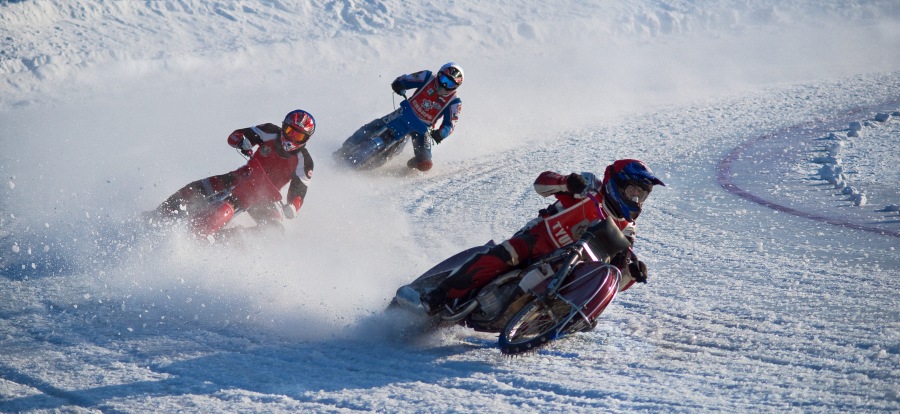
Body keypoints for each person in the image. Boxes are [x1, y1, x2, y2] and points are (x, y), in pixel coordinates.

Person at [398, 159, 665, 314]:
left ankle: (565, 320)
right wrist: (565, 182)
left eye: (641, 195)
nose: (636, 199)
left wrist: (631, 271)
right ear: (616, 183)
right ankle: (438, 296)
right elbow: (541, 183)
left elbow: (612, 277)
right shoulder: (589, 187)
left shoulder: (626, 228)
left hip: (566, 265)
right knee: (507, 254)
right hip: (539, 239)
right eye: (632, 191)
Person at [150, 109, 316, 240]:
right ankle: (159, 215)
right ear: (282, 126)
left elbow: (299, 192)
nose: (291, 137)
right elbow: (236, 135)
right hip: (242, 177)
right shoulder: (269, 131)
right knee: (197, 188)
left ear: (306, 139)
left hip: (266, 197)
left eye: (298, 134)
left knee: (274, 232)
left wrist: (292, 207)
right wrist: (242, 141)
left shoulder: (304, 161)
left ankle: (227, 241)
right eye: (289, 130)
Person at [340, 62, 463, 171]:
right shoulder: (427, 76)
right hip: (405, 112)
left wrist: (440, 134)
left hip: (422, 128)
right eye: (443, 79)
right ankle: (345, 148)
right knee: (373, 126)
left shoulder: (454, 101)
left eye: (450, 84)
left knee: (426, 164)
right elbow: (407, 79)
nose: (444, 85)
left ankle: (412, 164)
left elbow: (450, 124)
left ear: (455, 87)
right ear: (439, 74)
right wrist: (399, 84)